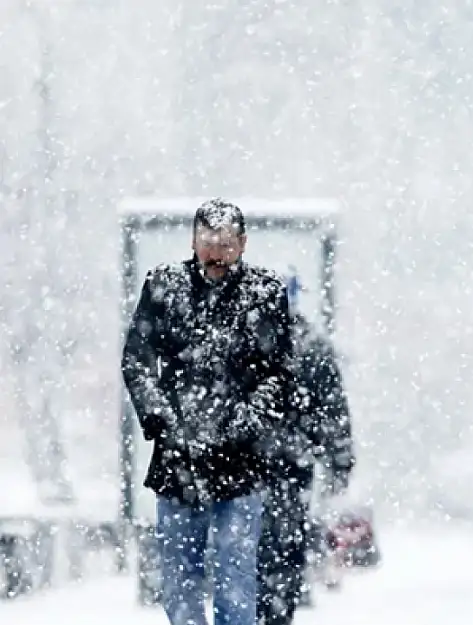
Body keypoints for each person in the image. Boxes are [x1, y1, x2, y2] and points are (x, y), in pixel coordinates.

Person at [121, 198, 293, 625]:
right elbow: (137, 361)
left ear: (244, 244)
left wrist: (249, 419)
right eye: (209, 242)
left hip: (243, 458)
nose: (217, 253)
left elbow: (281, 371)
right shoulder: (163, 286)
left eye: (227, 244)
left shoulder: (266, 292)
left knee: (236, 576)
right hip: (179, 459)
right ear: (193, 241)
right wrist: (161, 416)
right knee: (180, 579)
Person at [256, 271, 355, 625]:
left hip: (246, 468)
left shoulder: (244, 341)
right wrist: (339, 463)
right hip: (292, 466)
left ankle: (257, 608)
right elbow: (334, 412)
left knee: (249, 548)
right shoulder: (312, 345)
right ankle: (278, 611)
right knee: (285, 546)